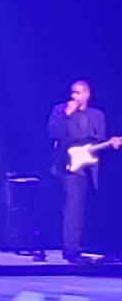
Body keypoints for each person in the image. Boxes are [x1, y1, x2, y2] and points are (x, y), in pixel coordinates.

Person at [47, 80, 120, 262]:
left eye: (78, 93)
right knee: (73, 207)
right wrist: (66, 115)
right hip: (67, 166)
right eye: (72, 92)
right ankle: (70, 249)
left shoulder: (97, 115)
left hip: (89, 165)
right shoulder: (60, 110)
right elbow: (53, 133)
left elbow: (98, 142)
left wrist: (111, 144)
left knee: (87, 207)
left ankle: (90, 245)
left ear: (87, 95)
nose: (74, 96)